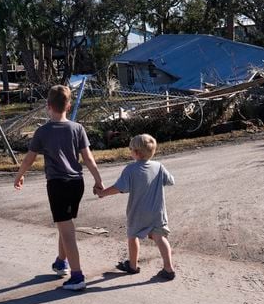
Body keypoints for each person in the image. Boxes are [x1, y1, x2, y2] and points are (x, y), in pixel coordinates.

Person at [14, 85, 104, 291]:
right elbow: (88, 158)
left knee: (67, 230)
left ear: (48, 106)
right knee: (66, 224)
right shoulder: (77, 128)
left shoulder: (43, 131)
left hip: (58, 184)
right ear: (68, 105)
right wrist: (98, 180)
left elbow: (29, 159)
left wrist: (19, 176)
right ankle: (61, 261)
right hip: (76, 183)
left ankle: (77, 275)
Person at [96, 134, 176, 280]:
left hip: (137, 213)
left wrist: (103, 193)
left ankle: (132, 266)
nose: (130, 152)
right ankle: (168, 269)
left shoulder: (130, 169)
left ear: (136, 153)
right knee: (160, 238)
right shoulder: (159, 167)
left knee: (133, 237)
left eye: (130, 149)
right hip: (157, 212)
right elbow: (170, 181)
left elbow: (119, 188)